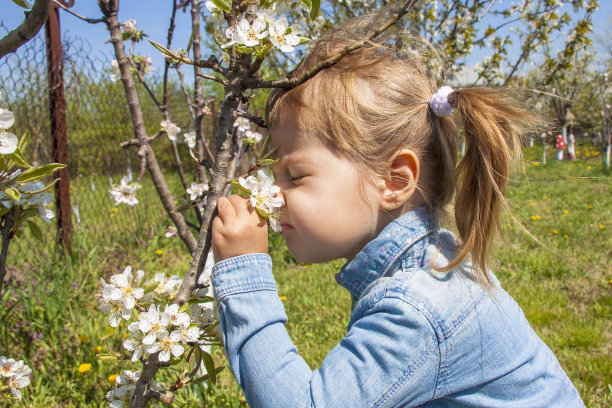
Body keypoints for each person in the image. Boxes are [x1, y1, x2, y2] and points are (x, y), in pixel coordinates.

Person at [211, 15, 584, 408]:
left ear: (394, 181)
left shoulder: (418, 307)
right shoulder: (428, 264)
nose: (275, 194)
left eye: (295, 175)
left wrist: (244, 274)